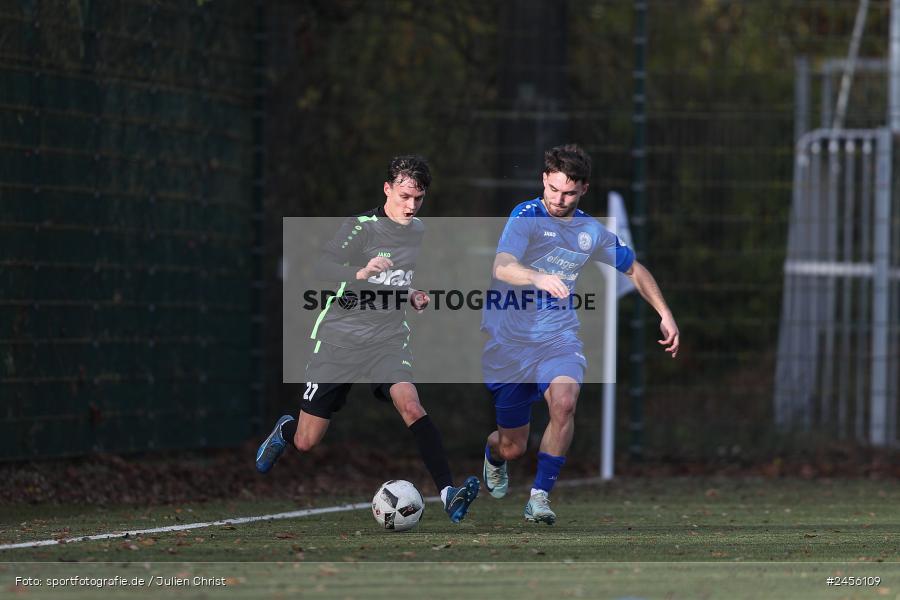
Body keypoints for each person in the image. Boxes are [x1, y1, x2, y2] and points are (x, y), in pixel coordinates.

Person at [257, 155, 479, 523]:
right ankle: (286, 428)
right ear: (387, 188)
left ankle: (448, 493)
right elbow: (321, 268)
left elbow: (397, 278)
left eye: (418, 199)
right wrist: (359, 270)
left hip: (388, 339)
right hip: (339, 341)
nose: (411, 206)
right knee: (305, 442)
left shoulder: (418, 231)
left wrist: (410, 294)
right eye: (404, 196)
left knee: (411, 405)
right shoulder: (361, 227)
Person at [480, 144, 679, 524]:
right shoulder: (526, 216)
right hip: (509, 345)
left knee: (565, 402)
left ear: (584, 189)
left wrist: (665, 313)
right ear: (543, 180)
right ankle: (493, 454)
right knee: (512, 446)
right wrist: (537, 276)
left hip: (558, 338)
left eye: (568, 192)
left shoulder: (590, 231)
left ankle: (539, 497)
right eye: (553, 189)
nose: (558, 199)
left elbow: (635, 269)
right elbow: (503, 265)